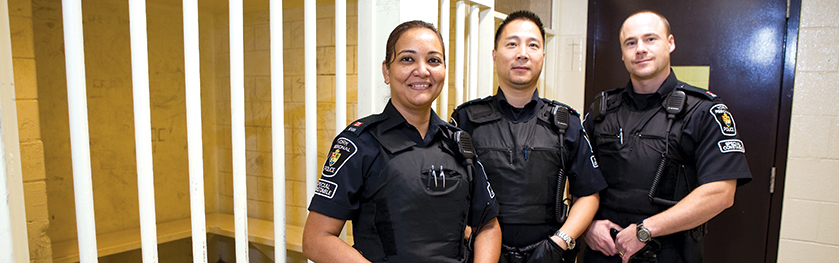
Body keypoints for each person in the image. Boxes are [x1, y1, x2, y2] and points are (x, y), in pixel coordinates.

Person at [302, 20, 502, 263]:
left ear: (444, 70)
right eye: (408, 59)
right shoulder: (359, 143)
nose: (422, 70)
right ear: (387, 70)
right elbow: (316, 239)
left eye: (433, 60)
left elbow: (488, 225)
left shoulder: (459, 143)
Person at [581, 11, 752, 263]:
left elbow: (721, 192)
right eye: (631, 42)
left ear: (670, 43)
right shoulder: (601, 110)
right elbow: (578, 177)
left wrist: (644, 231)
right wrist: (587, 226)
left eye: (650, 39)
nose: (640, 49)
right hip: (603, 252)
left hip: (669, 252)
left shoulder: (702, 110)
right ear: (622, 52)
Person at [451, 10, 606, 263]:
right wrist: (472, 239)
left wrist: (559, 244)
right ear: (495, 55)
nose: (522, 53)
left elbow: (588, 194)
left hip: (549, 253)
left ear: (542, 56)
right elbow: (451, 195)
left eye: (532, 45)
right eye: (511, 44)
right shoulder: (466, 119)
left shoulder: (566, 122)